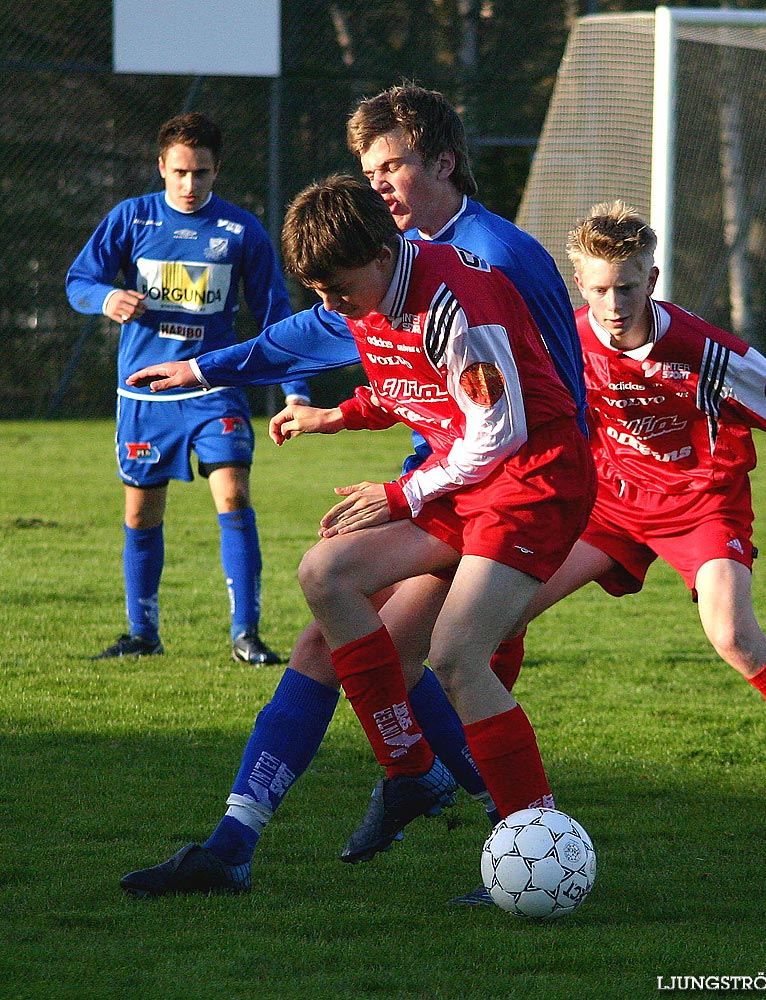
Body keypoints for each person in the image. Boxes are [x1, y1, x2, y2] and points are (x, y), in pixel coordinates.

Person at [118, 86, 584, 899]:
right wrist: (335, 411)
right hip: (459, 471)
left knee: (453, 657)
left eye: (392, 165)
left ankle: (531, 832)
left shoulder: (473, 274)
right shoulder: (374, 269)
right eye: (372, 171)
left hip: (525, 482)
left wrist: (405, 493)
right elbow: (396, 372)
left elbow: (506, 416)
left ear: (438, 162)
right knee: (326, 584)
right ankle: (366, 790)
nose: (382, 185)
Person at [499, 200, 766, 819]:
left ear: (651, 280)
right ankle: (486, 773)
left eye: (627, 286)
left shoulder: (709, 352)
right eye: (599, 289)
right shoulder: (564, 342)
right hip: (609, 509)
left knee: (734, 635)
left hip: (701, 508)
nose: (614, 303)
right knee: (497, 613)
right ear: (580, 284)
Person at [66, 112, 308, 665]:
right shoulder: (132, 219)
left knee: (234, 494)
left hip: (212, 387)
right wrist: (107, 298)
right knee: (141, 515)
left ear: (217, 170)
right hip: (144, 395)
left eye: (201, 173)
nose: (189, 185)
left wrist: (295, 388)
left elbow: (276, 313)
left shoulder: (241, 230)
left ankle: (246, 636)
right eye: (179, 172)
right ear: (161, 168)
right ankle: (142, 633)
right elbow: (79, 281)